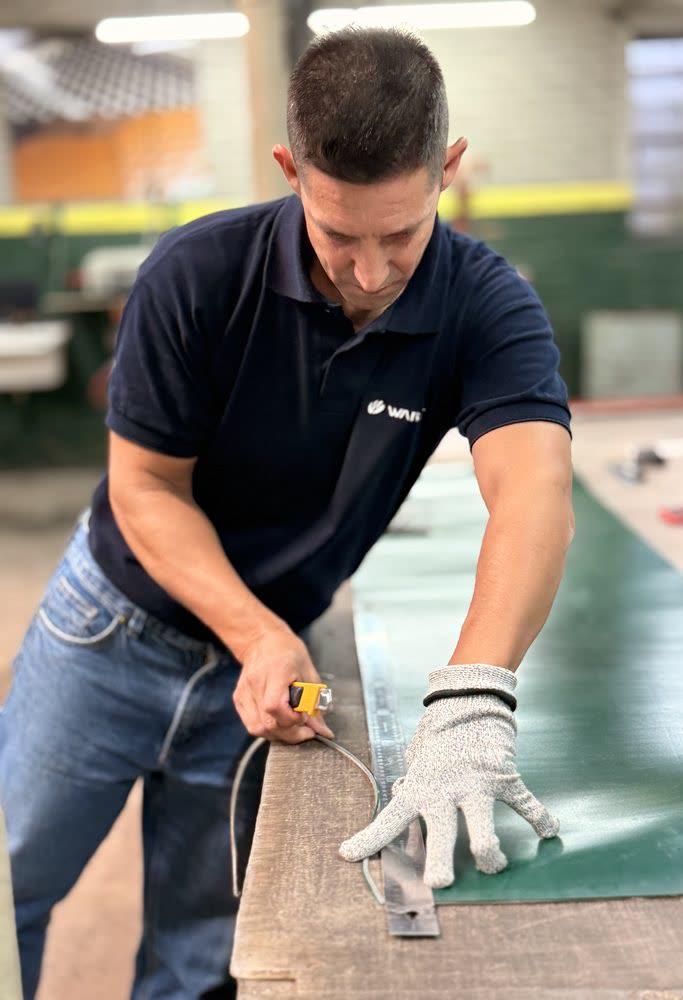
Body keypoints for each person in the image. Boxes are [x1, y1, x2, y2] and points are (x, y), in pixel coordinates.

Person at [0, 25, 574, 1000]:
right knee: (10, 886)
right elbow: (146, 490)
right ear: (289, 169)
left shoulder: (486, 305)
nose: (369, 271)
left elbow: (533, 489)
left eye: (401, 233)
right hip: (112, 632)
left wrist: (476, 689)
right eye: (339, 233)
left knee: (202, 947)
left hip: (265, 662)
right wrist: (257, 630)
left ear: (450, 169)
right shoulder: (196, 276)